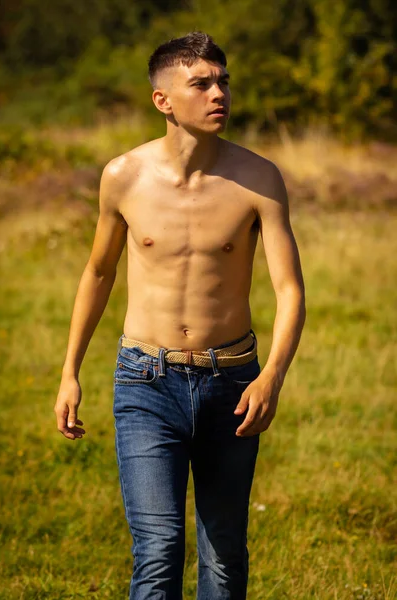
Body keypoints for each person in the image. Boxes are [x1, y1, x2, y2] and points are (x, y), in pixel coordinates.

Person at [54, 30, 306, 600]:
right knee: (159, 548)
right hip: (146, 379)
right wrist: (70, 371)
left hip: (233, 383)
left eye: (223, 81)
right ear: (163, 100)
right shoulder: (123, 176)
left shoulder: (259, 178)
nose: (219, 93)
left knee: (223, 554)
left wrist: (272, 377)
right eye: (201, 83)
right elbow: (98, 272)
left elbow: (290, 290)